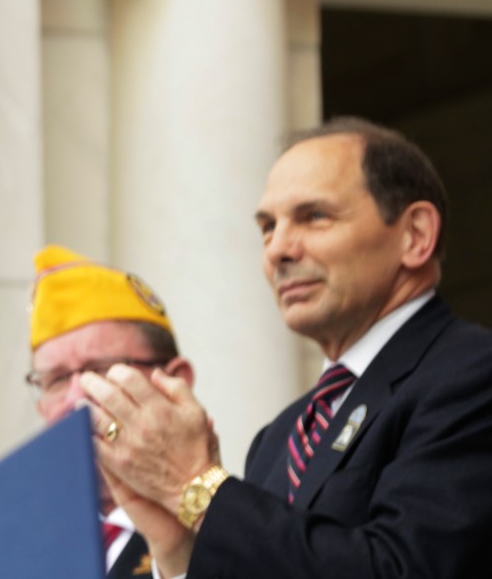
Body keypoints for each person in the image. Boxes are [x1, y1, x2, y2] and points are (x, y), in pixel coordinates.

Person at [81, 117, 492, 578]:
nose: (278, 249)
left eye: (314, 216)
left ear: (414, 235)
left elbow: (401, 569)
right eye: (267, 228)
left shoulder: (472, 374)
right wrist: (180, 554)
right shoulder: (278, 438)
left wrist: (195, 488)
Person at [27, 244, 195, 578]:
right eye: (57, 379)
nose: (76, 399)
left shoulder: (233, 530)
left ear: (174, 381)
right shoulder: (20, 549)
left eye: (100, 370)